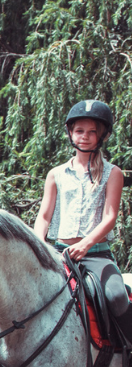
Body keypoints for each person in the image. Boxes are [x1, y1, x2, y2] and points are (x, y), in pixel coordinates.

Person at [33, 99, 128, 325]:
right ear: (70, 133)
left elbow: (110, 217)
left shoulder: (113, 173)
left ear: (102, 136)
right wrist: (39, 245)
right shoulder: (56, 174)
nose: (84, 136)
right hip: (59, 253)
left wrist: (85, 244)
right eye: (79, 131)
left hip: (95, 255)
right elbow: (44, 216)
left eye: (91, 132)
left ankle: (126, 352)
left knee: (116, 296)